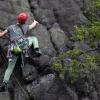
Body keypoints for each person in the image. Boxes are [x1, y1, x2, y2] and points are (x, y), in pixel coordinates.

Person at [0, 12, 42, 92]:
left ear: (17, 19)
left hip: (13, 49)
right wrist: (35, 22)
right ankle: (36, 49)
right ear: (25, 21)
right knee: (33, 38)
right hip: (22, 47)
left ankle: (4, 84)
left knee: (9, 68)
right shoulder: (25, 27)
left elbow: (1, 35)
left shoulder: (10, 27)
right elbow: (32, 26)